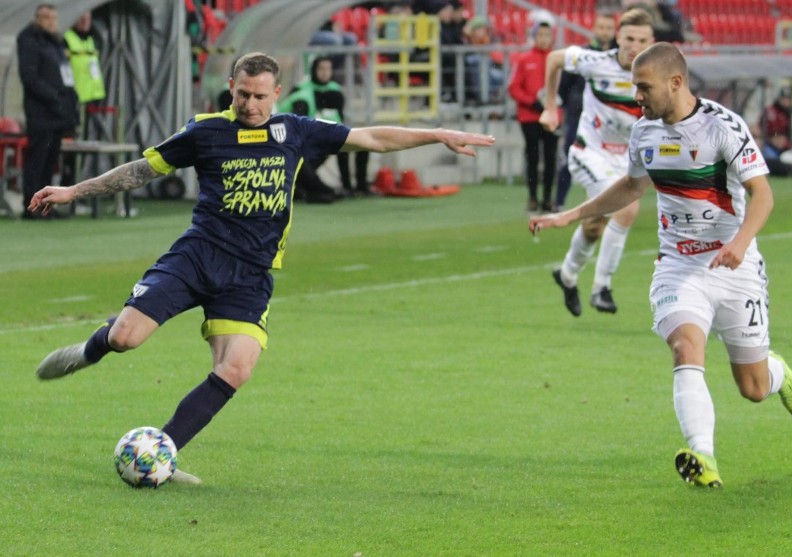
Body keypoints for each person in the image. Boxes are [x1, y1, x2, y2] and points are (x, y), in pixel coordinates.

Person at [28, 52, 494, 484]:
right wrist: (74, 191)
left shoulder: (296, 131)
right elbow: (140, 171)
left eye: (259, 96)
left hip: (250, 274)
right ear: (231, 87)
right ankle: (88, 351)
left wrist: (436, 134)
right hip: (196, 257)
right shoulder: (205, 131)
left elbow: (371, 137)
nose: (250, 104)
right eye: (242, 94)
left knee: (237, 368)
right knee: (126, 338)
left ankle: (165, 451)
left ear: (277, 93)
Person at [531, 42, 792, 488]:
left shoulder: (723, 127)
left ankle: (776, 371)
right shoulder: (645, 132)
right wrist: (571, 215)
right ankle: (703, 454)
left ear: (675, 83)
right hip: (678, 265)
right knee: (685, 347)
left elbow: (764, 195)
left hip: (734, 266)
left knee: (753, 388)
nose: (635, 95)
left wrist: (740, 242)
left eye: (644, 87)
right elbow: (631, 187)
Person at [539, 8, 655, 315]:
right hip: (589, 150)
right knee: (627, 207)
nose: (634, 46)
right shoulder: (597, 62)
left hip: (627, 160)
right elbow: (553, 59)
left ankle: (566, 275)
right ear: (618, 37)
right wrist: (551, 107)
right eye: (629, 38)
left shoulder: (657, 74)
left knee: (594, 227)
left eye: (642, 40)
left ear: (652, 41)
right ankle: (602, 287)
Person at [277, 56, 371, 200]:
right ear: (314, 70)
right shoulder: (302, 92)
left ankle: (356, 187)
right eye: (321, 69)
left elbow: (339, 117)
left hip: (326, 135)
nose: (325, 72)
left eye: (328, 69)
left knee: (361, 143)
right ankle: (307, 186)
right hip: (304, 140)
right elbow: (294, 123)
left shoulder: (335, 90)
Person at [16, 3, 78, 219]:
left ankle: (45, 207)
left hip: (58, 114)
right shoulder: (29, 40)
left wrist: (69, 102)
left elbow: (64, 75)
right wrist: (54, 97)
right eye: (47, 18)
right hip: (41, 114)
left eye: (54, 18)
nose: (51, 22)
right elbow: (30, 77)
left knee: (50, 163)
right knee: (37, 161)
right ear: (37, 18)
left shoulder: (56, 43)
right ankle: (30, 206)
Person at [555, 11, 617, 211]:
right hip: (578, 115)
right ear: (594, 29)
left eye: (609, 28)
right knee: (571, 156)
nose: (605, 32)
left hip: (607, 120)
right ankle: (558, 203)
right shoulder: (582, 56)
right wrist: (569, 106)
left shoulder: (619, 58)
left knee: (606, 162)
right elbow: (564, 86)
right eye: (602, 27)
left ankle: (600, 203)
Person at [508, 16, 559, 214]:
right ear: (533, 36)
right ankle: (532, 197)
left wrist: (553, 104)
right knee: (533, 156)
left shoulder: (556, 59)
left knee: (551, 157)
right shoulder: (524, 59)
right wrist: (532, 102)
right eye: (540, 35)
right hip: (529, 116)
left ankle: (547, 199)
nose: (544, 38)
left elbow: (564, 86)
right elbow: (513, 88)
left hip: (552, 115)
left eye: (547, 35)